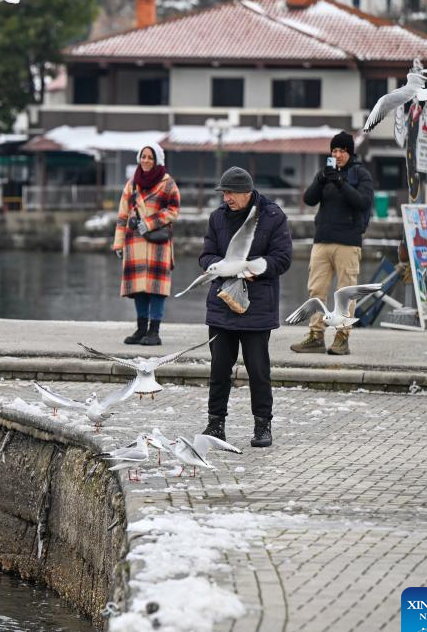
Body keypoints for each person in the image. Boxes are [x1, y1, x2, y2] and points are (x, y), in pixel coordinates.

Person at [200, 167, 293, 448]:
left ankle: (262, 426)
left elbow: (283, 258)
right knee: (218, 370)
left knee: (258, 370)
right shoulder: (217, 218)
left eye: (230, 193)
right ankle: (216, 424)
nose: (226, 198)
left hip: (258, 307)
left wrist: (255, 268)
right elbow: (206, 256)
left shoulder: (274, 216)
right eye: (223, 193)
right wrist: (223, 266)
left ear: (246, 192)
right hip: (222, 305)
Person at [291, 131, 374, 355]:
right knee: (316, 290)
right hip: (322, 240)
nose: (337, 155)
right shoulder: (326, 174)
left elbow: (363, 202)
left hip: (348, 242)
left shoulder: (361, 174)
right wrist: (321, 179)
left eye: (341, 151)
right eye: (334, 151)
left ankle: (341, 338)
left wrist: (340, 183)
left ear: (349, 152)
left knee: (345, 292)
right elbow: (308, 199)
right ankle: (316, 336)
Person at [112, 142, 180, 346]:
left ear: (157, 159)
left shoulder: (168, 183)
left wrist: (148, 223)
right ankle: (141, 329)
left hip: (158, 242)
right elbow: (122, 215)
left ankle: (154, 331)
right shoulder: (132, 183)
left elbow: (173, 210)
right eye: (143, 157)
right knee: (139, 288)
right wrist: (118, 244)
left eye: (150, 157)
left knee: (156, 288)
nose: (146, 161)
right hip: (134, 242)